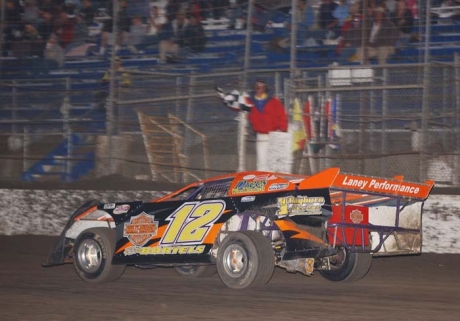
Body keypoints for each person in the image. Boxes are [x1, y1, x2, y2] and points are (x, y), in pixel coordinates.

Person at [246, 80, 288, 171]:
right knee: (262, 160)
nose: (259, 88)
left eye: (261, 86)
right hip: (261, 134)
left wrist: (283, 130)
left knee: (274, 160)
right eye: (257, 86)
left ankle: (274, 179)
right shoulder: (249, 102)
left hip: (274, 134)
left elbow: (282, 116)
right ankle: (262, 180)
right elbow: (240, 108)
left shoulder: (274, 101)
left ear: (265, 88)